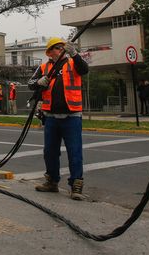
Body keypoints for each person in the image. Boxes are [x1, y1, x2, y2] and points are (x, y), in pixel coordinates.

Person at [28, 37, 90, 200]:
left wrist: (75, 54)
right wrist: (39, 82)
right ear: (50, 52)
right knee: (50, 152)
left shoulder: (72, 63)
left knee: (75, 152)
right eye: (57, 47)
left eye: (62, 47)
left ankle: (76, 186)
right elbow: (31, 83)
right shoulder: (44, 67)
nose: (60, 49)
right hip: (51, 117)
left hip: (72, 116)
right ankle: (51, 181)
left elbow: (84, 69)